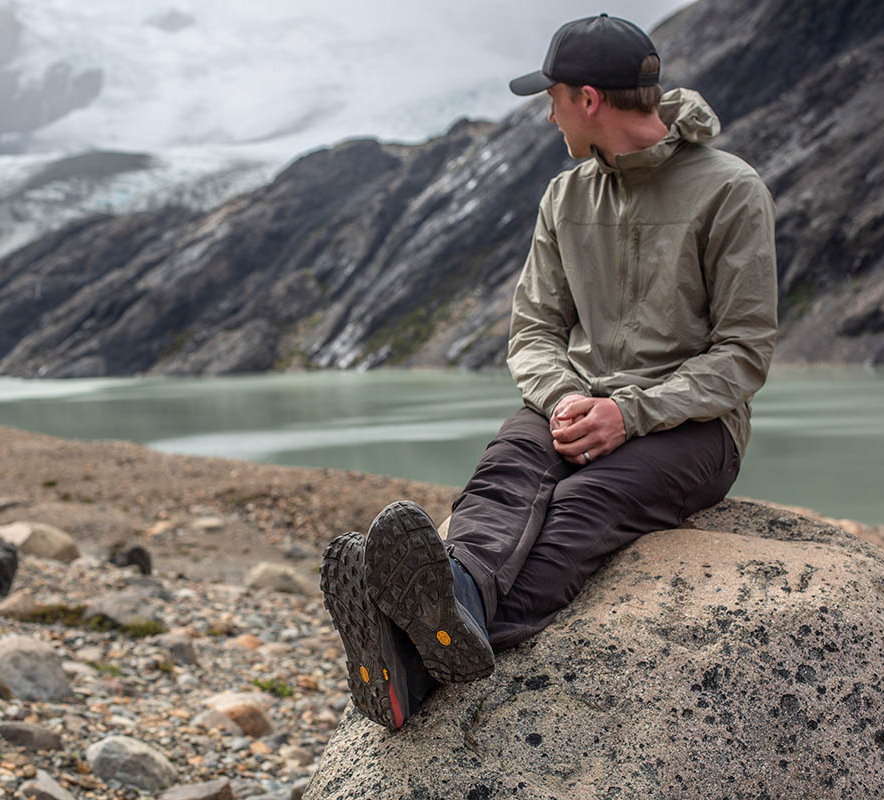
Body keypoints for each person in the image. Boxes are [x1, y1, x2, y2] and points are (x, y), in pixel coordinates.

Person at [320, 13, 778, 730]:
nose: (548, 113)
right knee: (507, 470)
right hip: (578, 403)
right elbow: (534, 330)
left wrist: (629, 414)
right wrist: (564, 396)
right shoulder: (566, 198)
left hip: (695, 428)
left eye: (552, 97)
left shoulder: (729, 191)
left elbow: (744, 354)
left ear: (587, 99)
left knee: (580, 506)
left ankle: (408, 663)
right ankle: (457, 598)